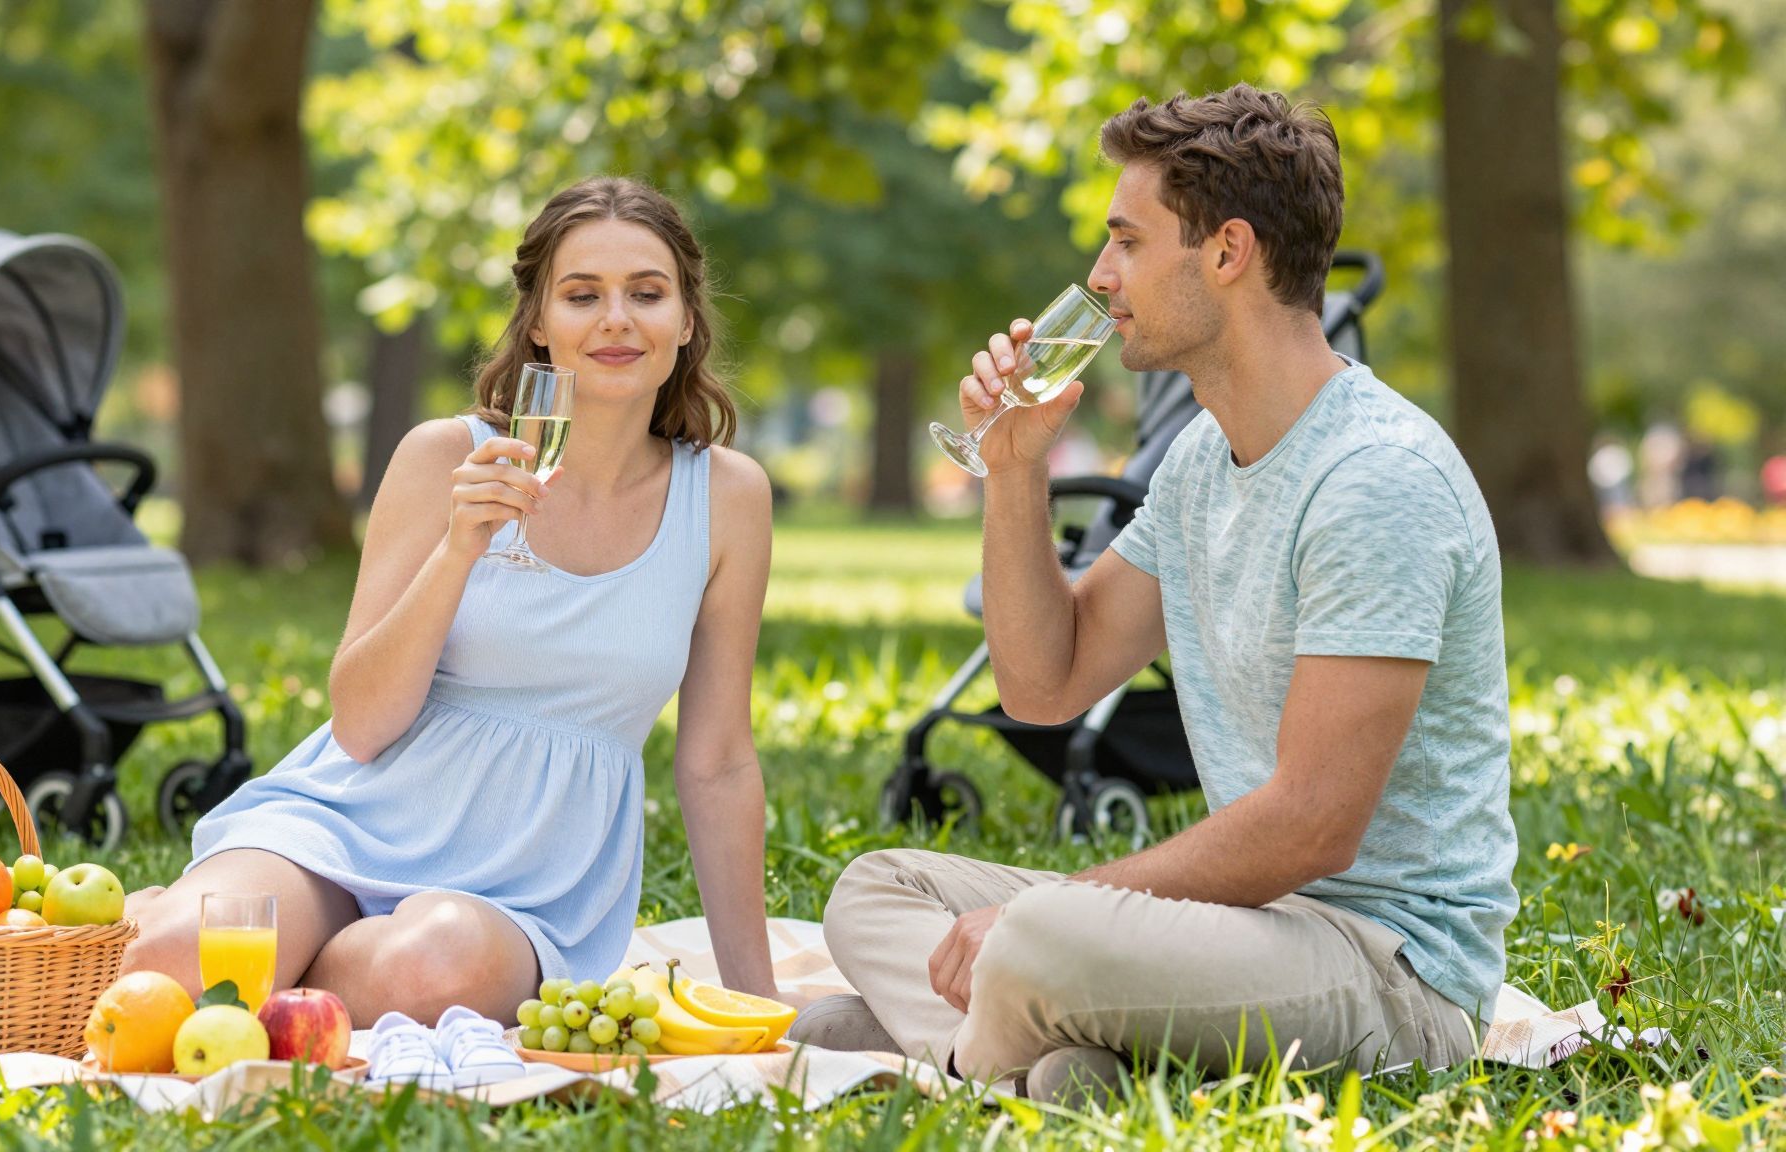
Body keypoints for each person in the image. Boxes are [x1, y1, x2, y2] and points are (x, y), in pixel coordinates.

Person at [791, 85, 1518, 1102]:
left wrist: (1056, 918)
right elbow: (1043, 685)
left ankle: (950, 1057)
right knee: (878, 887)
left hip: (1385, 973)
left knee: (1040, 937)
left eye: (1125, 241)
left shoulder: (1374, 480)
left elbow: (1312, 825)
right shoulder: (1200, 464)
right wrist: (1012, 472)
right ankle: (1061, 1063)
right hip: (1239, 932)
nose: (1097, 276)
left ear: (1225, 252)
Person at [123, 177, 780, 1025]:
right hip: (344, 826)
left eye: (646, 294)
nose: (617, 319)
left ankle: (278, 974)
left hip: (522, 887)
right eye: (583, 295)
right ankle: (257, 946)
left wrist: (757, 1000)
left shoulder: (726, 497)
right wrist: (459, 548)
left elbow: (718, 761)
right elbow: (360, 724)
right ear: (539, 322)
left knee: (434, 967)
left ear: (685, 320)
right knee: (180, 962)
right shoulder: (446, 458)